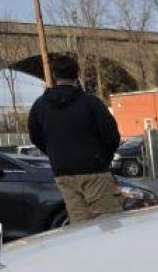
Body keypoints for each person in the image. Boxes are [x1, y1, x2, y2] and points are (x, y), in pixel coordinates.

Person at [28, 53, 121, 223]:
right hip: (95, 170)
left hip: (63, 172)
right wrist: (102, 159)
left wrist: (56, 154)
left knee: (79, 227)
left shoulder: (39, 106)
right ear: (77, 75)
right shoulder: (91, 103)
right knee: (109, 224)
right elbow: (112, 137)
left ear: (54, 76)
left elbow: (35, 137)